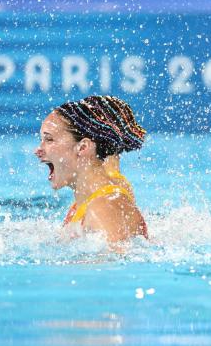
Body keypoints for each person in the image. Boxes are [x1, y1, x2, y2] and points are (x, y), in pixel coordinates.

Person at [34, 95, 147, 243]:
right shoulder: (101, 190)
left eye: (49, 139)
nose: (37, 150)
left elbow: (119, 262)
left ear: (82, 147)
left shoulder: (104, 209)